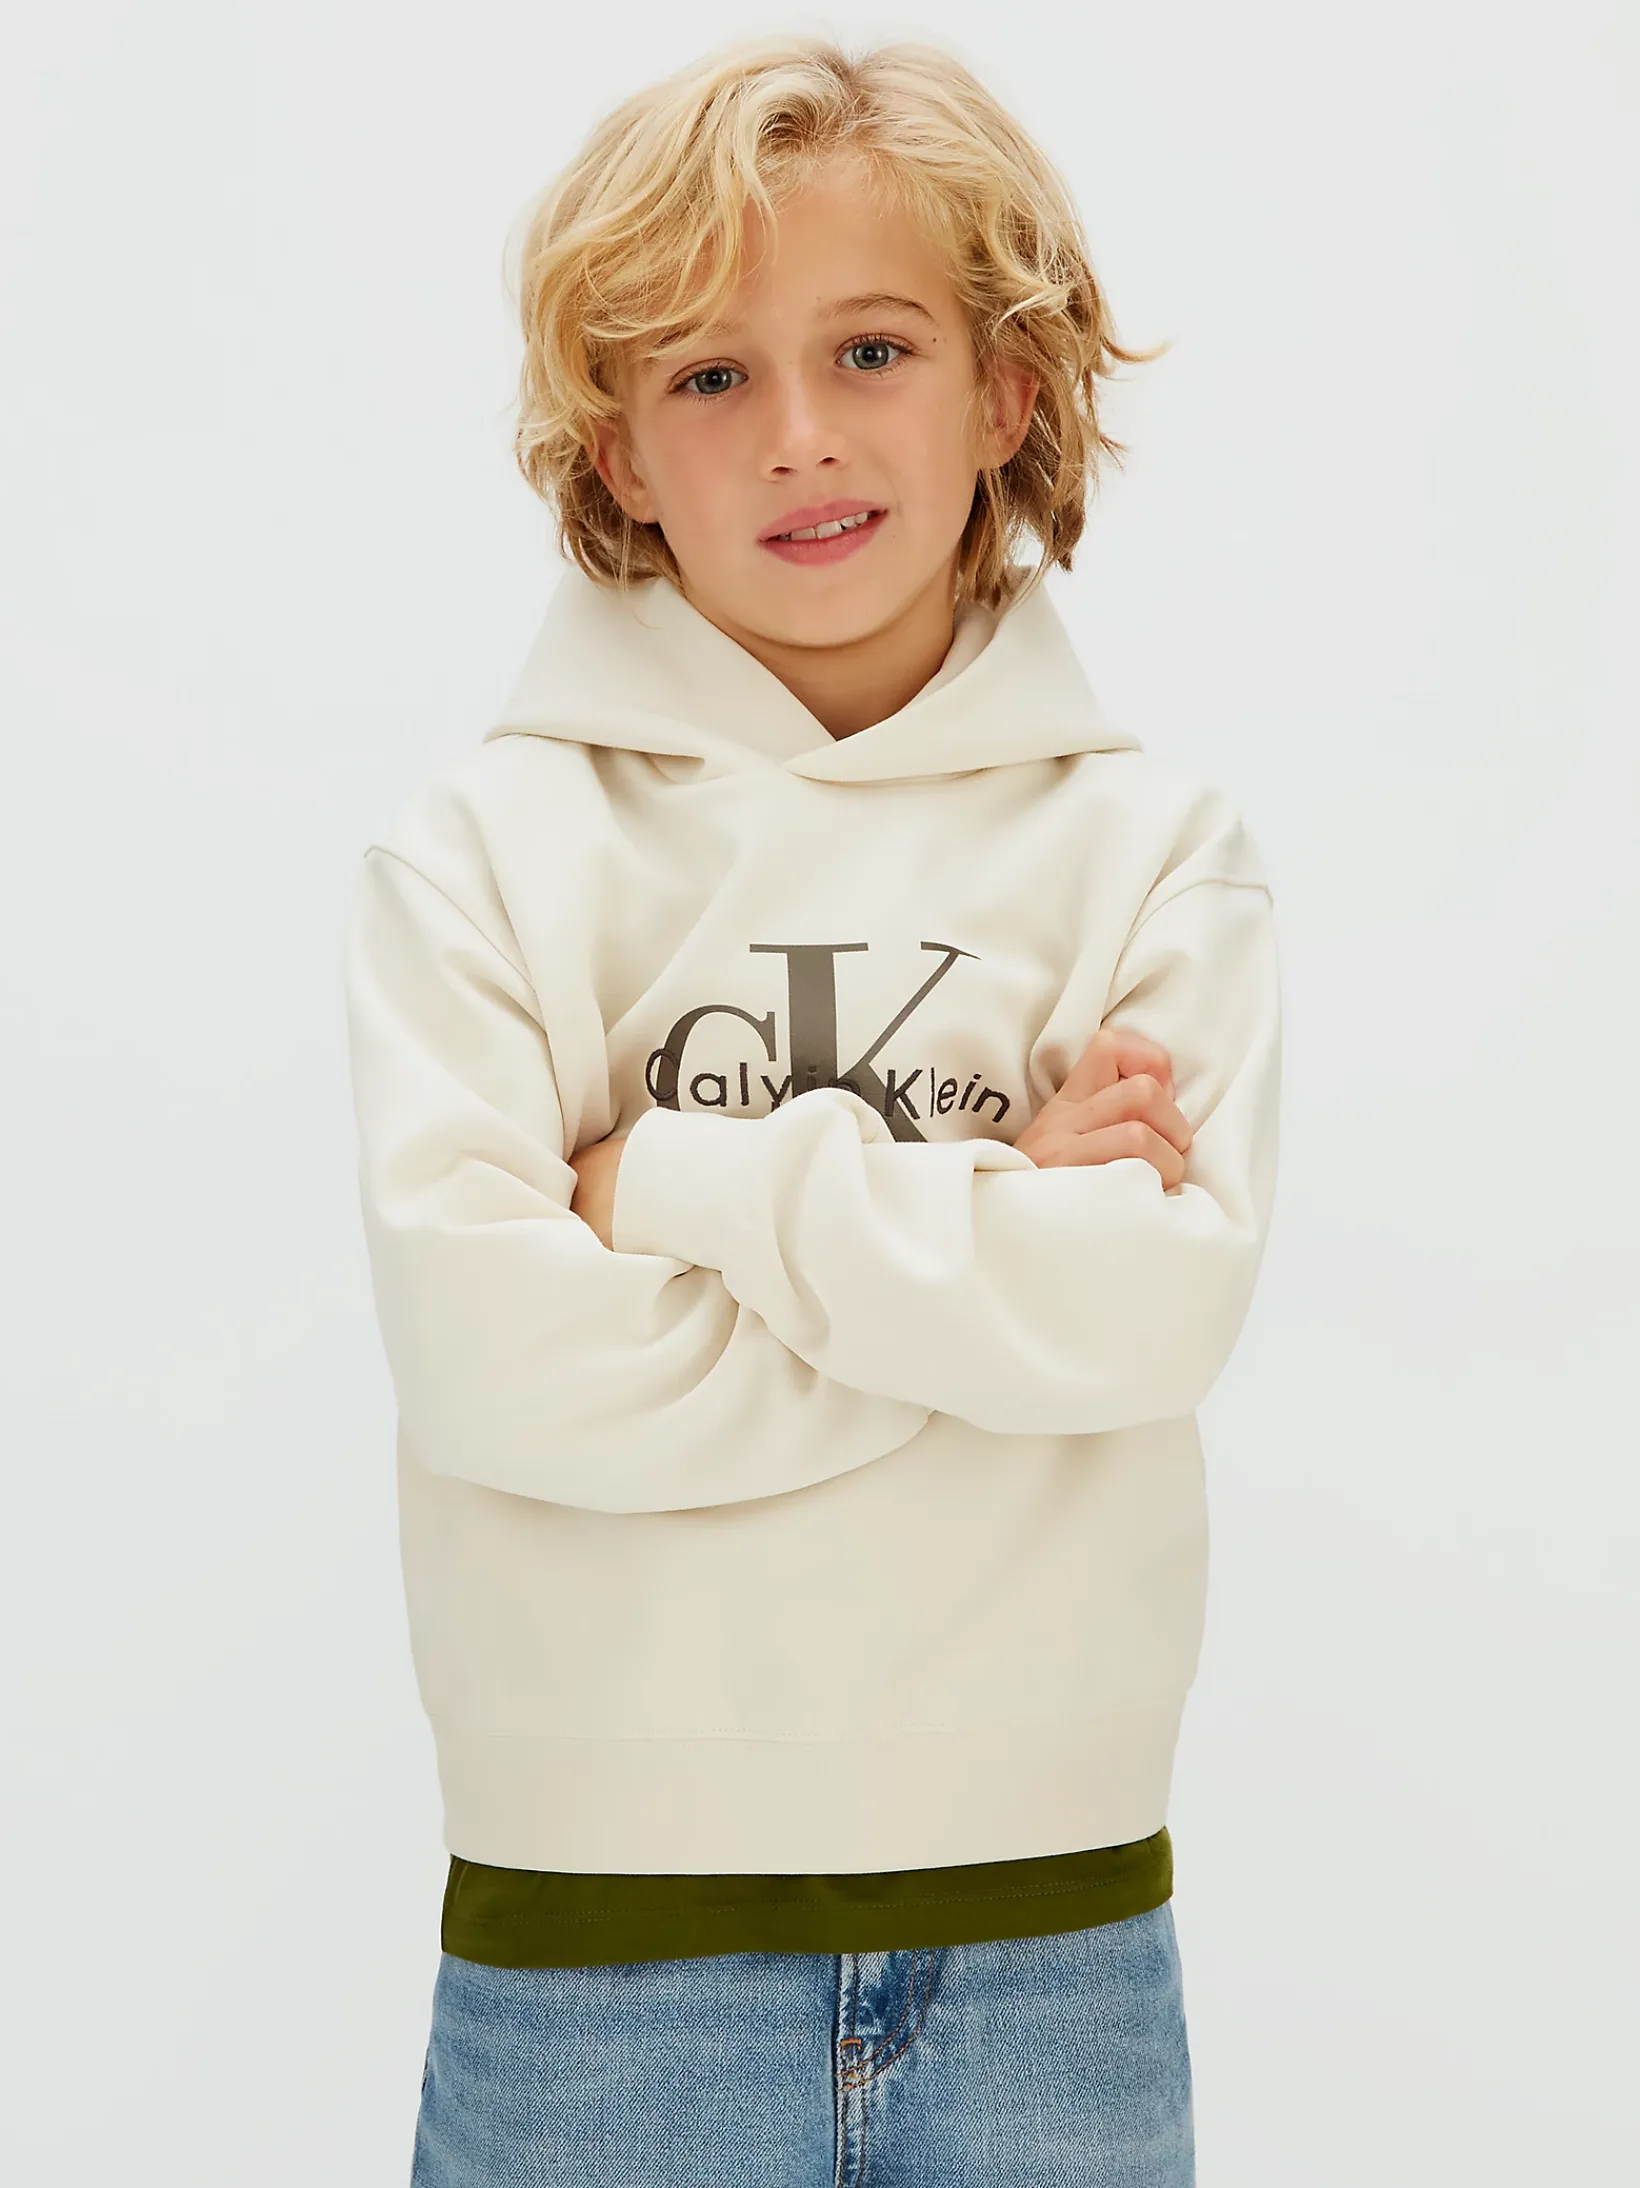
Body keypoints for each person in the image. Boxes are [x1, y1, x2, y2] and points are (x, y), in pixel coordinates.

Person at [342, 30, 1282, 2187]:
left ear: (1005, 389)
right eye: (708, 374)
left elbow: (1146, 1316)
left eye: (872, 348)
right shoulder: (483, 855)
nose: (799, 434)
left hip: (1052, 1946)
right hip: (593, 1966)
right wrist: (986, 1250)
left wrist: (663, 1178)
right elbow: (498, 1370)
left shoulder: (1153, 850)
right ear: (614, 447)